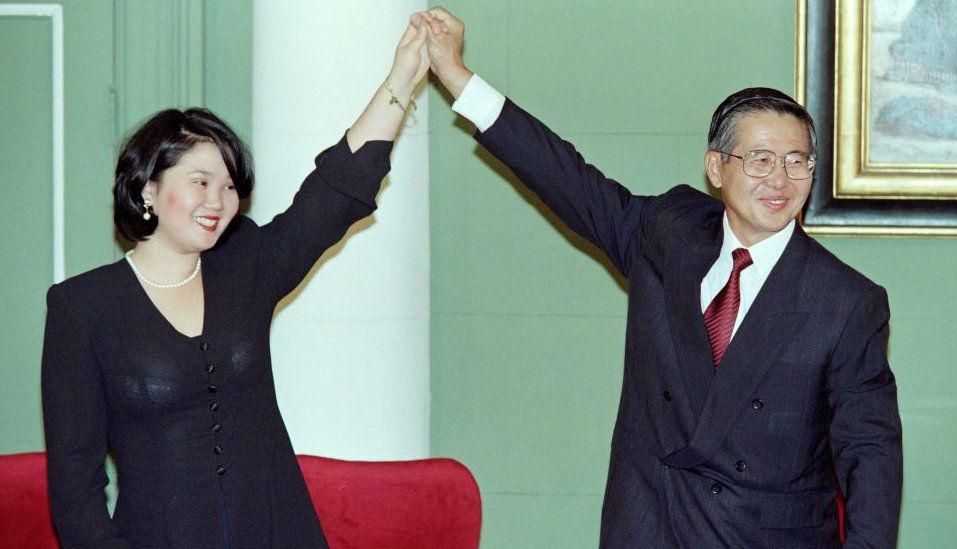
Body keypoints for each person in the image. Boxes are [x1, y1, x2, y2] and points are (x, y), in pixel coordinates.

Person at [414, 8, 902, 548]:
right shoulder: (668, 233)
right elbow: (565, 177)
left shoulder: (846, 301)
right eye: (760, 159)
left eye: (797, 162)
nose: (780, 180)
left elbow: (871, 456)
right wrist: (457, 75)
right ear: (716, 168)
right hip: (648, 529)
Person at [40, 21, 430, 549]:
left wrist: (402, 78)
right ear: (148, 189)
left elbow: (332, 195)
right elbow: (76, 491)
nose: (218, 201)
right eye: (199, 181)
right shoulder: (83, 307)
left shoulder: (245, 263)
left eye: (229, 187)